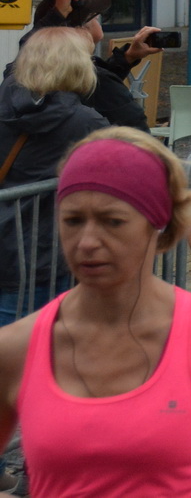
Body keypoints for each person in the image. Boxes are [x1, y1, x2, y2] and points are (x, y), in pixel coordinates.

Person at [0, 128, 191, 496]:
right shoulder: (17, 347)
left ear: (158, 226)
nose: (87, 241)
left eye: (112, 221)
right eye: (73, 220)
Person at [0, 29, 107, 327]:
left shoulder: (4, 105)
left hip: (8, 244)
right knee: (45, 346)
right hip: (49, 253)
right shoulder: (86, 123)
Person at [22, 0, 155, 131]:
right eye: (96, 18)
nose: (98, 21)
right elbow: (138, 132)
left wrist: (127, 58)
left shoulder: (28, 77)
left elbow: (91, 90)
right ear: (80, 31)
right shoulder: (100, 82)